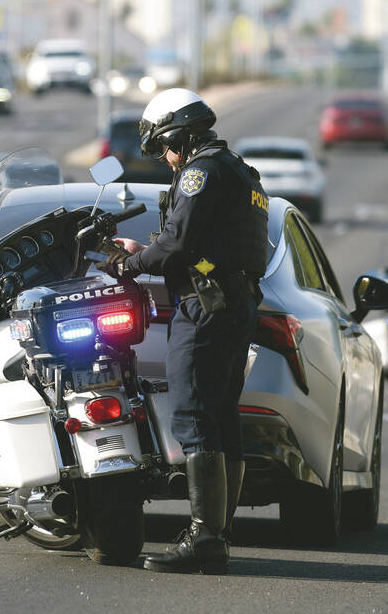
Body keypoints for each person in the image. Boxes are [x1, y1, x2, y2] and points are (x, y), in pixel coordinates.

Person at [110, 87, 269, 574]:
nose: (164, 158)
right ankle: (219, 533)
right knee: (221, 418)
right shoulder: (239, 169)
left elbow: (179, 245)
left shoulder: (202, 171)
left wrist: (130, 263)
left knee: (193, 415)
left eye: (162, 146)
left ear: (178, 133)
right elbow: (201, 243)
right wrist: (154, 250)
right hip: (232, 303)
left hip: (205, 307)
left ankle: (204, 537)